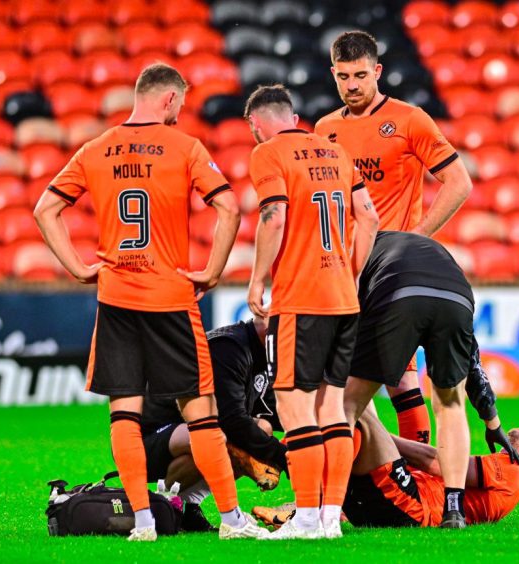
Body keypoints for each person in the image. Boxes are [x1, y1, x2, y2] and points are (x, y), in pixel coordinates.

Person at [34, 63, 267, 541]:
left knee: (125, 413)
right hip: (169, 297)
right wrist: (213, 271)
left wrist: (79, 268)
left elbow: (46, 209)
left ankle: (142, 522)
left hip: (116, 298)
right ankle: (230, 519)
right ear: (168, 99)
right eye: (179, 102)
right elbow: (228, 206)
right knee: (200, 412)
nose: (180, 111)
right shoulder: (183, 147)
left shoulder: (95, 149)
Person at [315, 30, 474, 447]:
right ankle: (361, 478)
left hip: (392, 270)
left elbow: (458, 182)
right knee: (338, 381)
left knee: (399, 380)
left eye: (361, 75)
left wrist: (415, 239)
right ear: (333, 74)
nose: (352, 85)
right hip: (345, 269)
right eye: (344, 76)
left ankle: (414, 474)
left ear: (378, 71)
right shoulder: (324, 129)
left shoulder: (408, 119)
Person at [245, 84, 380, 539]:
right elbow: (370, 216)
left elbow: (274, 216)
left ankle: (304, 519)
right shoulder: (333, 152)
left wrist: (257, 278)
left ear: (256, 124)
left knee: (294, 405)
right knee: (333, 408)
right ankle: (328, 519)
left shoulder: (268, 153)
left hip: (301, 299)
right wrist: (352, 271)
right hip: (344, 297)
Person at [342, 230, 495, 528]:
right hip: (458, 296)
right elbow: (473, 359)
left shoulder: (352, 248)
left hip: (399, 291)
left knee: (348, 404)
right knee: (450, 405)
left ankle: (325, 505)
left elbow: (344, 317)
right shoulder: (420, 246)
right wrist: (492, 421)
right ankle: (454, 510)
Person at [140, 317, 287, 530]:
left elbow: (274, 412)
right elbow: (231, 420)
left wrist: (305, 440)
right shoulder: (228, 348)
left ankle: (190, 505)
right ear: (269, 332)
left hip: (193, 430)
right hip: (151, 437)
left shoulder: (257, 352)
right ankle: (163, 503)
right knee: (211, 436)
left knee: (260, 429)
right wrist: (281, 457)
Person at [341, 407, 519, 528]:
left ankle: (317, 501)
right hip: (400, 503)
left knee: (354, 406)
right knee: (353, 416)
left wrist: (383, 437)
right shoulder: (512, 481)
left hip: (410, 505)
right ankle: (329, 500)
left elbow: (435, 462)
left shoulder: (513, 472)